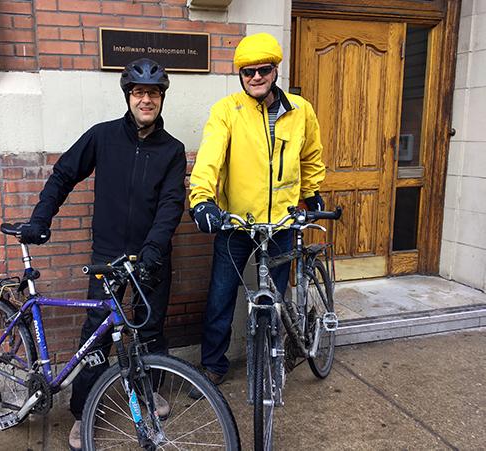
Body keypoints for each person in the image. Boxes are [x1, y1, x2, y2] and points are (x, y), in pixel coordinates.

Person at [19, 58, 186, 451]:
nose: (147, 100)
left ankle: (148, 395)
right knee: (95, 337)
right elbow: (63, 174)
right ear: (129, 96)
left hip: (152, 256)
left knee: (150, 330)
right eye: (140, 93)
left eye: (154, 94)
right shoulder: (103, 136)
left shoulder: (173, 150)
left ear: (162, 99)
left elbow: (171, 205)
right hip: (108, 256)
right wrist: (41, 218)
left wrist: (151, 252)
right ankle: (83, 412)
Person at [189, 32, 326, 389]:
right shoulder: (227, 111)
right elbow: (209, 159)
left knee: (276, 301)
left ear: (275, 70)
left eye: (263, 70)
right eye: (247, 72)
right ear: (239, 75)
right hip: (236, 223)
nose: (255, 78)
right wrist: (202, 198)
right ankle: (213, 366)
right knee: (221, 296)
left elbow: (310, 156)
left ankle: (270, 358)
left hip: (281, 223)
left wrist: (311, 194)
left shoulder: (301, 111)